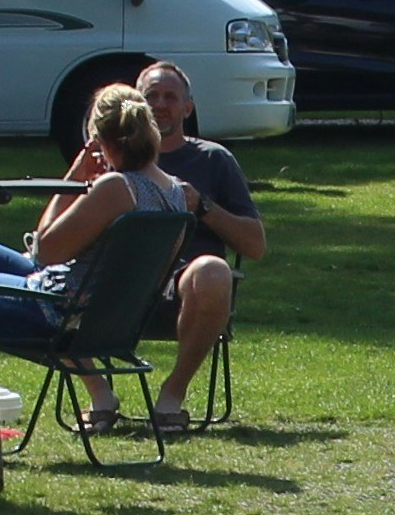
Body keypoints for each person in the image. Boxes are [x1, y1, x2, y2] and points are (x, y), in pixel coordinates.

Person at [0, 84, 185, 456]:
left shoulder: (115, 188)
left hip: (54, 315)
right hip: (110, 322)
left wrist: (75, 177)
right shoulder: (176, 193)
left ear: (99, 139)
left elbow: (44, 250)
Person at [65, 62, 269, 434]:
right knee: (52, 281)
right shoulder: (109, 160)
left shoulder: (212, 159)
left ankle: (172, 394)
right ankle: (99, 393)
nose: (160, 104)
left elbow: (255, 245)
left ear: (188, 108)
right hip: (116, 280)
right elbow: (56, 243)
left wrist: (203, 207)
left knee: (212, 270)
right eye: (151, 96)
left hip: (184, 281)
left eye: (170, 97)